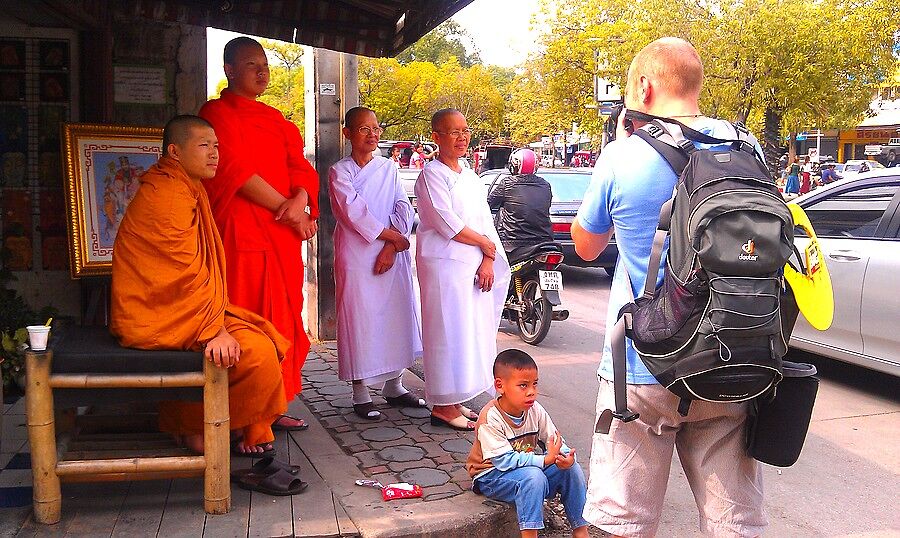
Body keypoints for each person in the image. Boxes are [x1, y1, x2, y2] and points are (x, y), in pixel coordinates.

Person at [572, 37, 768, 537]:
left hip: (641, 367)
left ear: (644, 85)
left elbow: (587, 246)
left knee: (621, 521)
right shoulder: (750, 150)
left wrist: (617, 147)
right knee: (736, 523)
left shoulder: (624, 155)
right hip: (733, 358)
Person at [110, 115, 288, 458]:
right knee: (254, 353)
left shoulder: (186, 186)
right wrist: (212, 331)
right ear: (174, 152)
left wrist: (214, 322)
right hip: (156, 314)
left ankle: (223, 424)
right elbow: (181, 276)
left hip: (180, 309)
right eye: (204, 146)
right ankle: (196, 430)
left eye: (216, 146)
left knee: (263, 339)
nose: (214, 154)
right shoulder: (168, 195)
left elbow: (189, 273)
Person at [199, 37, 318, 431]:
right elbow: (232, 169)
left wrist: (299, 201)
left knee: (283, 317)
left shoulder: (277, 120)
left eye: (264, 63)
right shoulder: (216, 113)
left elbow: (300, 167)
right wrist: (287, 209)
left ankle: (273, 404)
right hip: (243, 231)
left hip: (281, 233)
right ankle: (247, 417)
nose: (262, 71)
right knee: (249, 318)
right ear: (229, 70)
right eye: (251, 64)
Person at [415, 108, 511, 431]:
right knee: (445, 331)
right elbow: (447, 223)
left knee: (468, 333)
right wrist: (483, 245)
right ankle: (442, 404)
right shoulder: (431, 175)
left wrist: (487, 256)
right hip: (444, 269)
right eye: (452, 132)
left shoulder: (470, 175)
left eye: (465, 130)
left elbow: (486, 225)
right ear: (436, 138)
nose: (461, 137)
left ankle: (455, 400)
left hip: (473, 268)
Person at [329, 106, 425, 421]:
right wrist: (391, 238)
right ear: (348, 134)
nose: (372, 135)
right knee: (360, 318)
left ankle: (394, 385)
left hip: (390, 252)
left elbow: (402, 205)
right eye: (363, 129)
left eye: (376, 128)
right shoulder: (339, 172)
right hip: (357, 255)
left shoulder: (389, 168)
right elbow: (353, 212)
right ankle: (360, 393)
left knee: (396, 315)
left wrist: (391, 245)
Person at [466, 349, 588, 538]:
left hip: (527, 470)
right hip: (491, 476)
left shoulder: (535, 410)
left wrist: (565, 457)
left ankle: (581, 531)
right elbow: (503, 461)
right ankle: (530, 535)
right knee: (533, 477)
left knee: (571, 470)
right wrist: (544, 460)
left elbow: (554, 440)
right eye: (523, 385)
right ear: (500, 386)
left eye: (535, 384)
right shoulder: (490, 417)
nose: (532, 392)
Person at [487, 148, 554, 262]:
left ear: (513, 166)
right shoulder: (545, 185)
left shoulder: (507, 183)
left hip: (511, 242)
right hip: (544, 240)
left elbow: (488, 204)